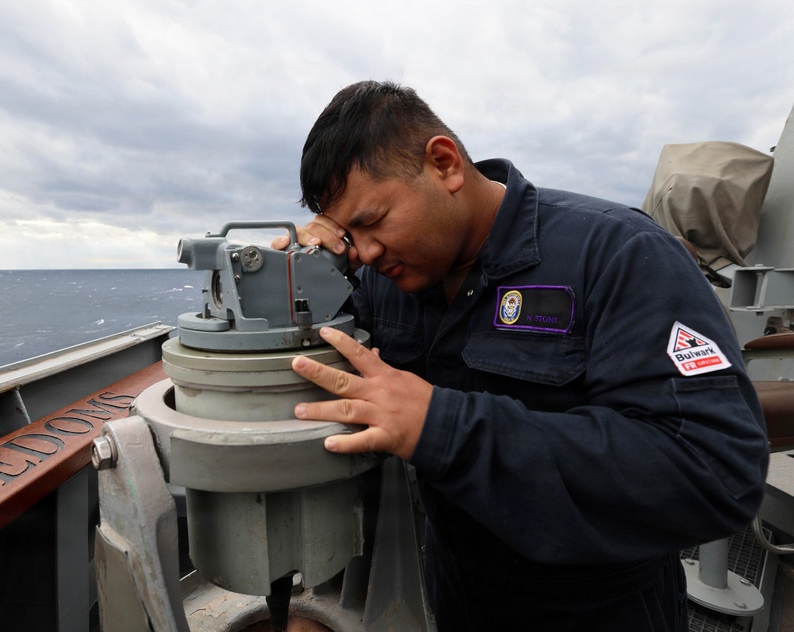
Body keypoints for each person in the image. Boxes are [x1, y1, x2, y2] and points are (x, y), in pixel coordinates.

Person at [275, 81, 770, 631]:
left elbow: (715, 471)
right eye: (350, 233)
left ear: (444, 164)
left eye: (371, 221)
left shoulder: (620, 254)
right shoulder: (385, 279)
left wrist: (444, 427)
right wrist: (302, 279)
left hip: (600, 612)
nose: (365, 250)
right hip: (457, 598)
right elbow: (312, 367)